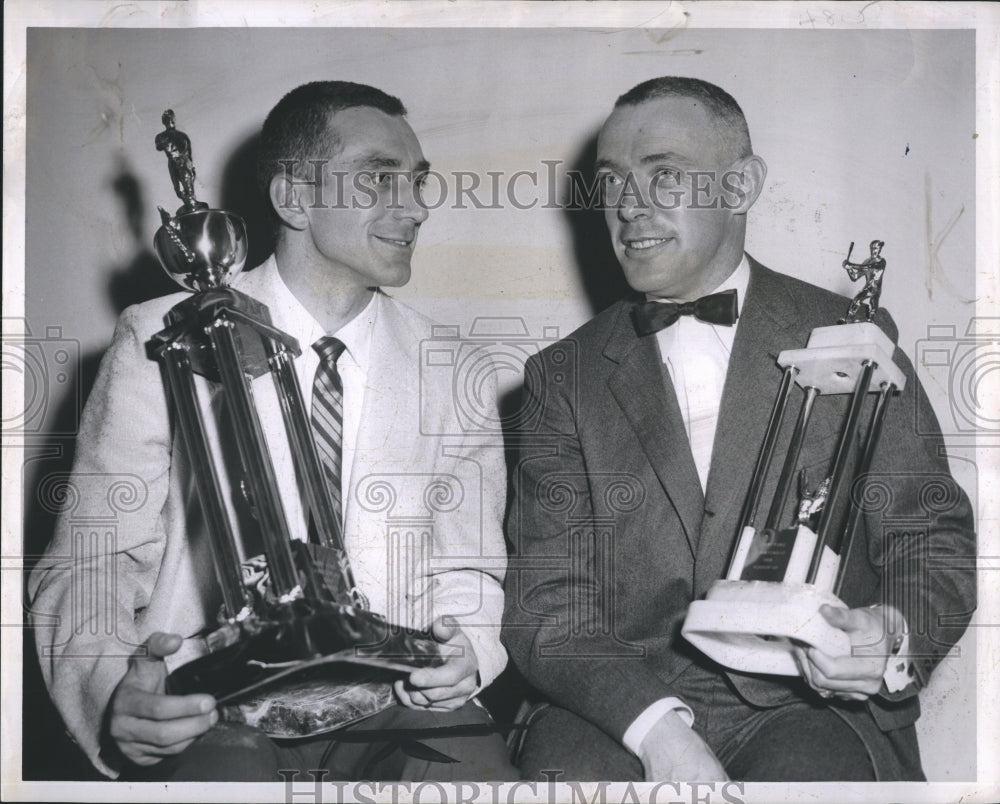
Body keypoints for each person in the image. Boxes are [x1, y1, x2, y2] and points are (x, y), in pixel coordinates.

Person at [29, 81, 517, 782]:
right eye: (379, 178)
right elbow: (90, 561)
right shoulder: (159, 335)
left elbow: (468, 571)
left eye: (417, 182)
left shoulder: (456, 369)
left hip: (397, 702)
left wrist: (465, 649)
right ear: (293, 197)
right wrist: (114, 698)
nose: (413, 207)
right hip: (208, 703)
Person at [502, 77, 975, 782]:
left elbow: (927, 539)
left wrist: (889, 635)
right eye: (613, 184)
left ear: (742, 185)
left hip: (810, 706)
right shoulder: (558, 378)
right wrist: (658, 731)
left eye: (664, 175)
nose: (630, 208)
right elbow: (548, 605)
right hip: (618, 706)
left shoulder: (855, 337)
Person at [841, 239, 887, 323]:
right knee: (857, 300)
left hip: (876, 288)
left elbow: (868, 267)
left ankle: (871, 320)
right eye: (874, 248)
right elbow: (854, 277)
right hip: (868, 287)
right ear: (871, 249)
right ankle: (849, 319)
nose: (876, 250)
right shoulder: (867, 261)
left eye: (878, 248)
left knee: (873, 303)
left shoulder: (881, 262)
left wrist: (851, 265)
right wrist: (849, 269)